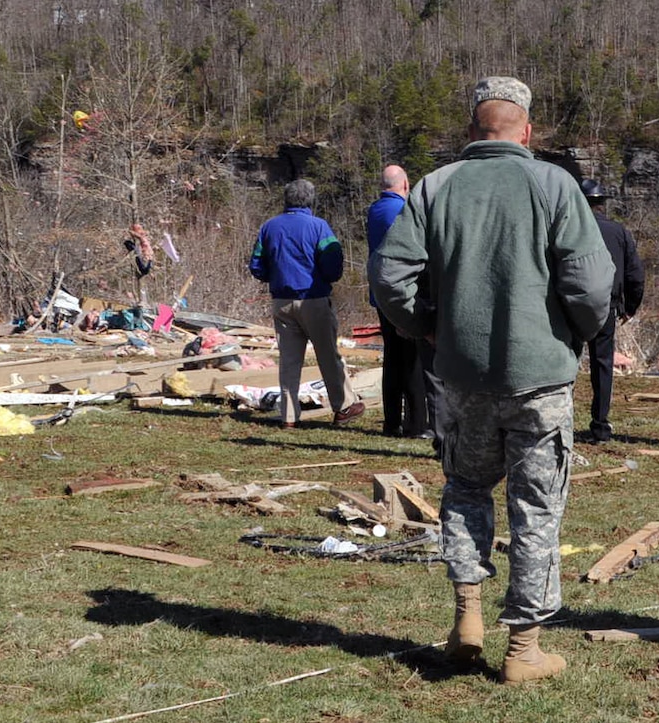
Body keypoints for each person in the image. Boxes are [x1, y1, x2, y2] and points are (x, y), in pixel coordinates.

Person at [369, 76, 613, 683]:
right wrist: (574, 332)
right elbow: (589, 285)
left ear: (472, 131)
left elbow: (389, 275)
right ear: (526, 132)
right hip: (540, 377)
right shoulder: (553, 183)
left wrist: (426, 326)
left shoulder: (436, 186)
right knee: (535, 509)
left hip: (460, 377)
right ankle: (524, 649)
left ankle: (466, 620)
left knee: (465, 492)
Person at [250, 179, 365, 429]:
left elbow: (257, 264)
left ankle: (289, 416)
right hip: (313, 299)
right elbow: (333, 262)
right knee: (327, 356)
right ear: (310, 200)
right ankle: (343, 406)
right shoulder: (318, 226)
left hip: (281, 300)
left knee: (289, 360)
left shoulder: (269, 227)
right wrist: (326, 278)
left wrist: (274, 277)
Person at [366, 165, 432, 439]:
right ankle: (416, 423)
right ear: (405, 186)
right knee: (413, 359)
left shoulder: (375, 210)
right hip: (403, 294)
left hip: (381, 295)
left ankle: (391, 420)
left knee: (393, 358)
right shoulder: (402, 212)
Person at [580, 179, 645, 444]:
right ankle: (600, 425)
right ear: (602, 203)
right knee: (602, 363)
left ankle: (558, 422)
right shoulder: (619, 232)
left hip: (567, 304)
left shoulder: (565, 228)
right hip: (605, 305)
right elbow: (635, 274)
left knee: (564, 364)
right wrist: (630, 307)